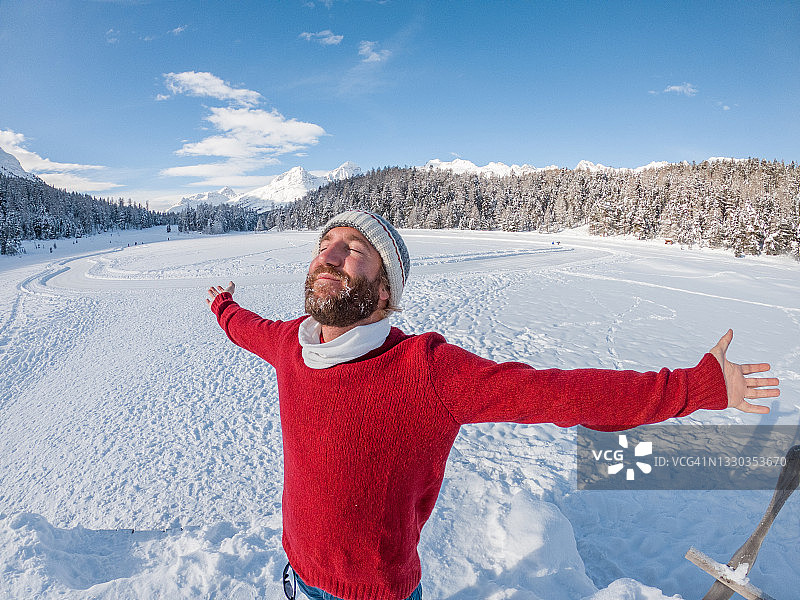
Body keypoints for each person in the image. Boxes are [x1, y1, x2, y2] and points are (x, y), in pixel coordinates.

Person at [206, 209, 779, 600]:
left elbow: (563, 392)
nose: (330, 255)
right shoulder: (290, 344)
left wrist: (698, 386)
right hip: (295, 571)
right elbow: (244, 327)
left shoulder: (425, 373)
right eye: (324, 245)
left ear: (385, 293)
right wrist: (223, 307)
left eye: (354, 249)